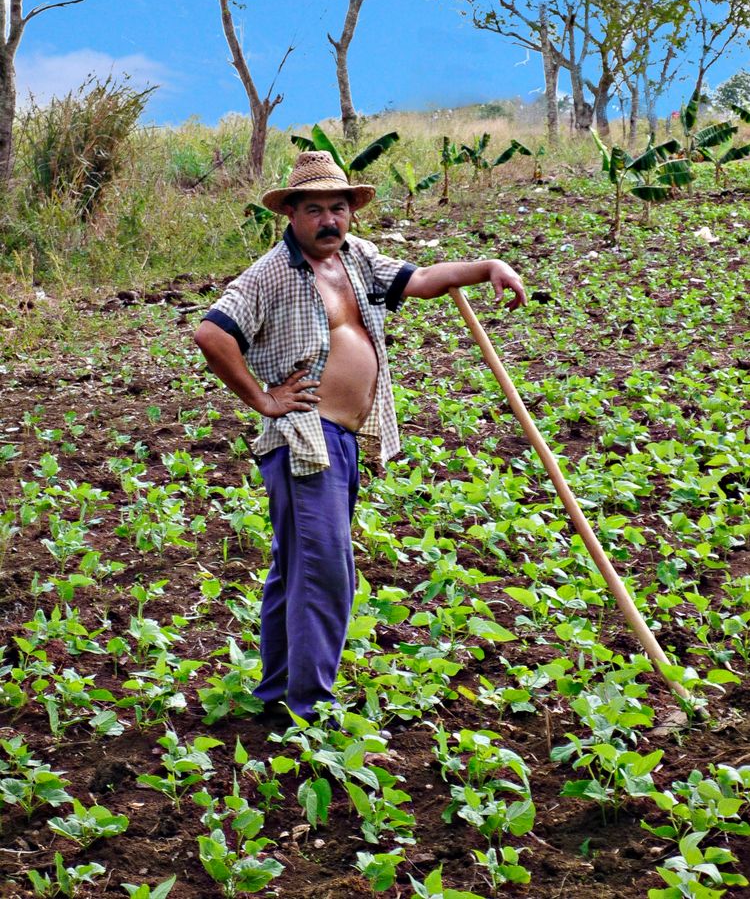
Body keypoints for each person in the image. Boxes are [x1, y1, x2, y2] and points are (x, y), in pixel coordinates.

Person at [194, 150, 526, 725]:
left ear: (351, 214)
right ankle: (311, 707)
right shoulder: (269, 273)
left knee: (295, 567)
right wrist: (263, 399)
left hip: (344, 438)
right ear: (291, 215)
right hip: (304, 437)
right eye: (316, 209)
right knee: (324, 569)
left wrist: (486, 265)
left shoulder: (354, 258)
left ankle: (278, 696)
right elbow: (211, 334)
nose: (330, 220)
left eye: (339, 208)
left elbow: (419, 281)